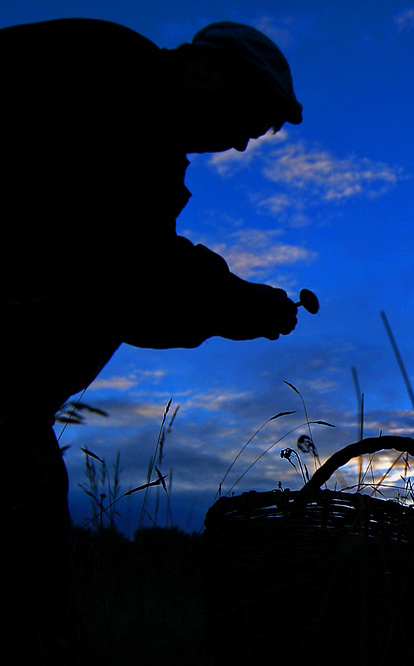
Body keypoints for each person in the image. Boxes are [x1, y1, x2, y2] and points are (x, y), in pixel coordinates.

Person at [0, 18, 305, 664]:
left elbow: (127, 292)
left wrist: (226, 303)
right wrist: (235, 301)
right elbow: (127, 265)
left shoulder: (135, 118)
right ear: (206, 69)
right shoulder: (110, 80)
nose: (243, 146)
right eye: (247, 121)